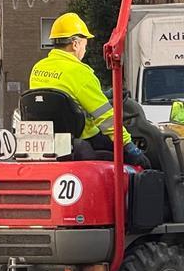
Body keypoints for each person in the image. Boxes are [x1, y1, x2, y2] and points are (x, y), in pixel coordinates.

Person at [29, 13, 149, 168]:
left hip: (52, 142)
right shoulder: (80, 72)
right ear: (75, 44)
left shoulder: (38, 68)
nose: (85, 49)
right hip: (84, 139)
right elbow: (105, 118)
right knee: (144, 162)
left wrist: (103, 95)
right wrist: (129, 146)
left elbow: (63, 98)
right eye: (85, 44)